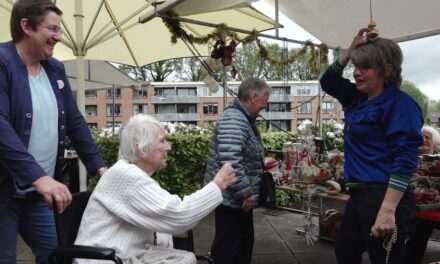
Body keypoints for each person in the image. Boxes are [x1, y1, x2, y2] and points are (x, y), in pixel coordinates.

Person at [0, 0, 107, 263]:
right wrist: (38, 176)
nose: (58, 37)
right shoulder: (2, 63)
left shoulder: (55, 69)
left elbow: (74, 121)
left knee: (59, 257)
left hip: (39, 193)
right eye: (52, 29)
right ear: (26, 26)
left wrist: (100, 168)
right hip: (4, 190)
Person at [319, 28, 424, 264]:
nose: (356, 73)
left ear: (386, 70)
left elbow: (405, 160)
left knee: (385, 258)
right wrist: (351, 48)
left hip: (383, 195)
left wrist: (387, 210)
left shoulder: (400, 105)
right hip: (359, 195)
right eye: (356, 66)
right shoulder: (356, 97)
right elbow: (328, 81)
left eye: (365, 67)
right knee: (345, 252)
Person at [74, 114, 236, 264]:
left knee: (186, 258)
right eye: (162, 141)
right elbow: (179, 215)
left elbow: (164, 220)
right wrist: (218, 184)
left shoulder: (132, 174)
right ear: (140, 148)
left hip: (123, 256)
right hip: (102, 259)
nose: (168, 147)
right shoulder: (126, 176)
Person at [204, 77, 272, 264]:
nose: (265, 106)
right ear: (253, 96)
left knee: (240, 245)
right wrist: (246, 193)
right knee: (229, 250)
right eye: (264, 101)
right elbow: (230, 160)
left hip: (236, 199)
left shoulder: (242, 118)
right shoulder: (234, 118)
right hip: (232, 200)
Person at [406, 125, 440, 264]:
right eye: (421, 137)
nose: (424, 140)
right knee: (423, 222)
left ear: (435, 142)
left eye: (428, 138)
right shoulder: (407, 158)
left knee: (424, 222)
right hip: (411, 202)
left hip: (433, 204)